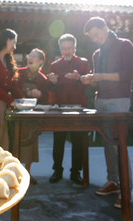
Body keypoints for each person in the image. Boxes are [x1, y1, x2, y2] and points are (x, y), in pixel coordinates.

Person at [81, 16, 133, 208]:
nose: (95, 39)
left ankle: (126, 189)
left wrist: (101, 76)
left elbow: (128, 74)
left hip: (119, 100)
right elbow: (99, 79)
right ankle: (113, 181)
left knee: (118, 144)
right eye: (91, 37)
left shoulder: (124, 45)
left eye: (96, 34)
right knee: (106, 143)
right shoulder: (97, 54)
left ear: (104, 27)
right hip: (101, 100)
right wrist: (90, 80)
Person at [47, 34, 91, 185]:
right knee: (58, 141)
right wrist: (52, 83)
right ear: (60, 48)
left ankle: (75, 172)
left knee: (78, 141)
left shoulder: (83, 63)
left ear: (75, 48)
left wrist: (79, 78)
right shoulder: (54, 65)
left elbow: (90, 84)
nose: (67, 51)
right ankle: (57, 170)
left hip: (79, 107)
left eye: (70, 48)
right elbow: (50, 87)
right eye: (64, 48)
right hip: (60, 107)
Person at [12, 48, 51, 184]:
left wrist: (40, 95)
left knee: (31, 143)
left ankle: (27, 173)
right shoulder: (19, 72)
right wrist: (24, 95)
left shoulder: (43, 79)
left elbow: (46, 98)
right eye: (30, 54)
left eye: (34, 56)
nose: (30, 57)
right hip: (17, 114)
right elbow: (13, 88)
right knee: (14, 142)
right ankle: (14, 173)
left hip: (32, 117)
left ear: (41, 61)